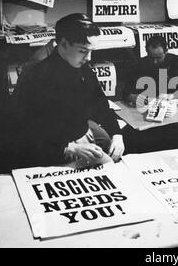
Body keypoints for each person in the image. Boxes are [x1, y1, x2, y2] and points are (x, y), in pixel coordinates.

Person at [13, 13, 125, 168]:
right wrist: (70, 147)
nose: (89, 58)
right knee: (110, 168)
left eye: (91, 51)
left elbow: (100, 104)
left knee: (117, 156)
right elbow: (25, 130)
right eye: (83, 51)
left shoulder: (81, 66)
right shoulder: (35, 75)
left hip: (82, 134)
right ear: (63, 44)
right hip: (52, 149)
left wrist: (117, 134)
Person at [123, 35, 178, 106]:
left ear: (166, 51)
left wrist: (171, 96)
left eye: (159, 57)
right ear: (146, 51)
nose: (155, 62)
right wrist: (132, 97)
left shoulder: (175, 62)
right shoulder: (140, 64)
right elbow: (126, 91)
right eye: (151, 58)